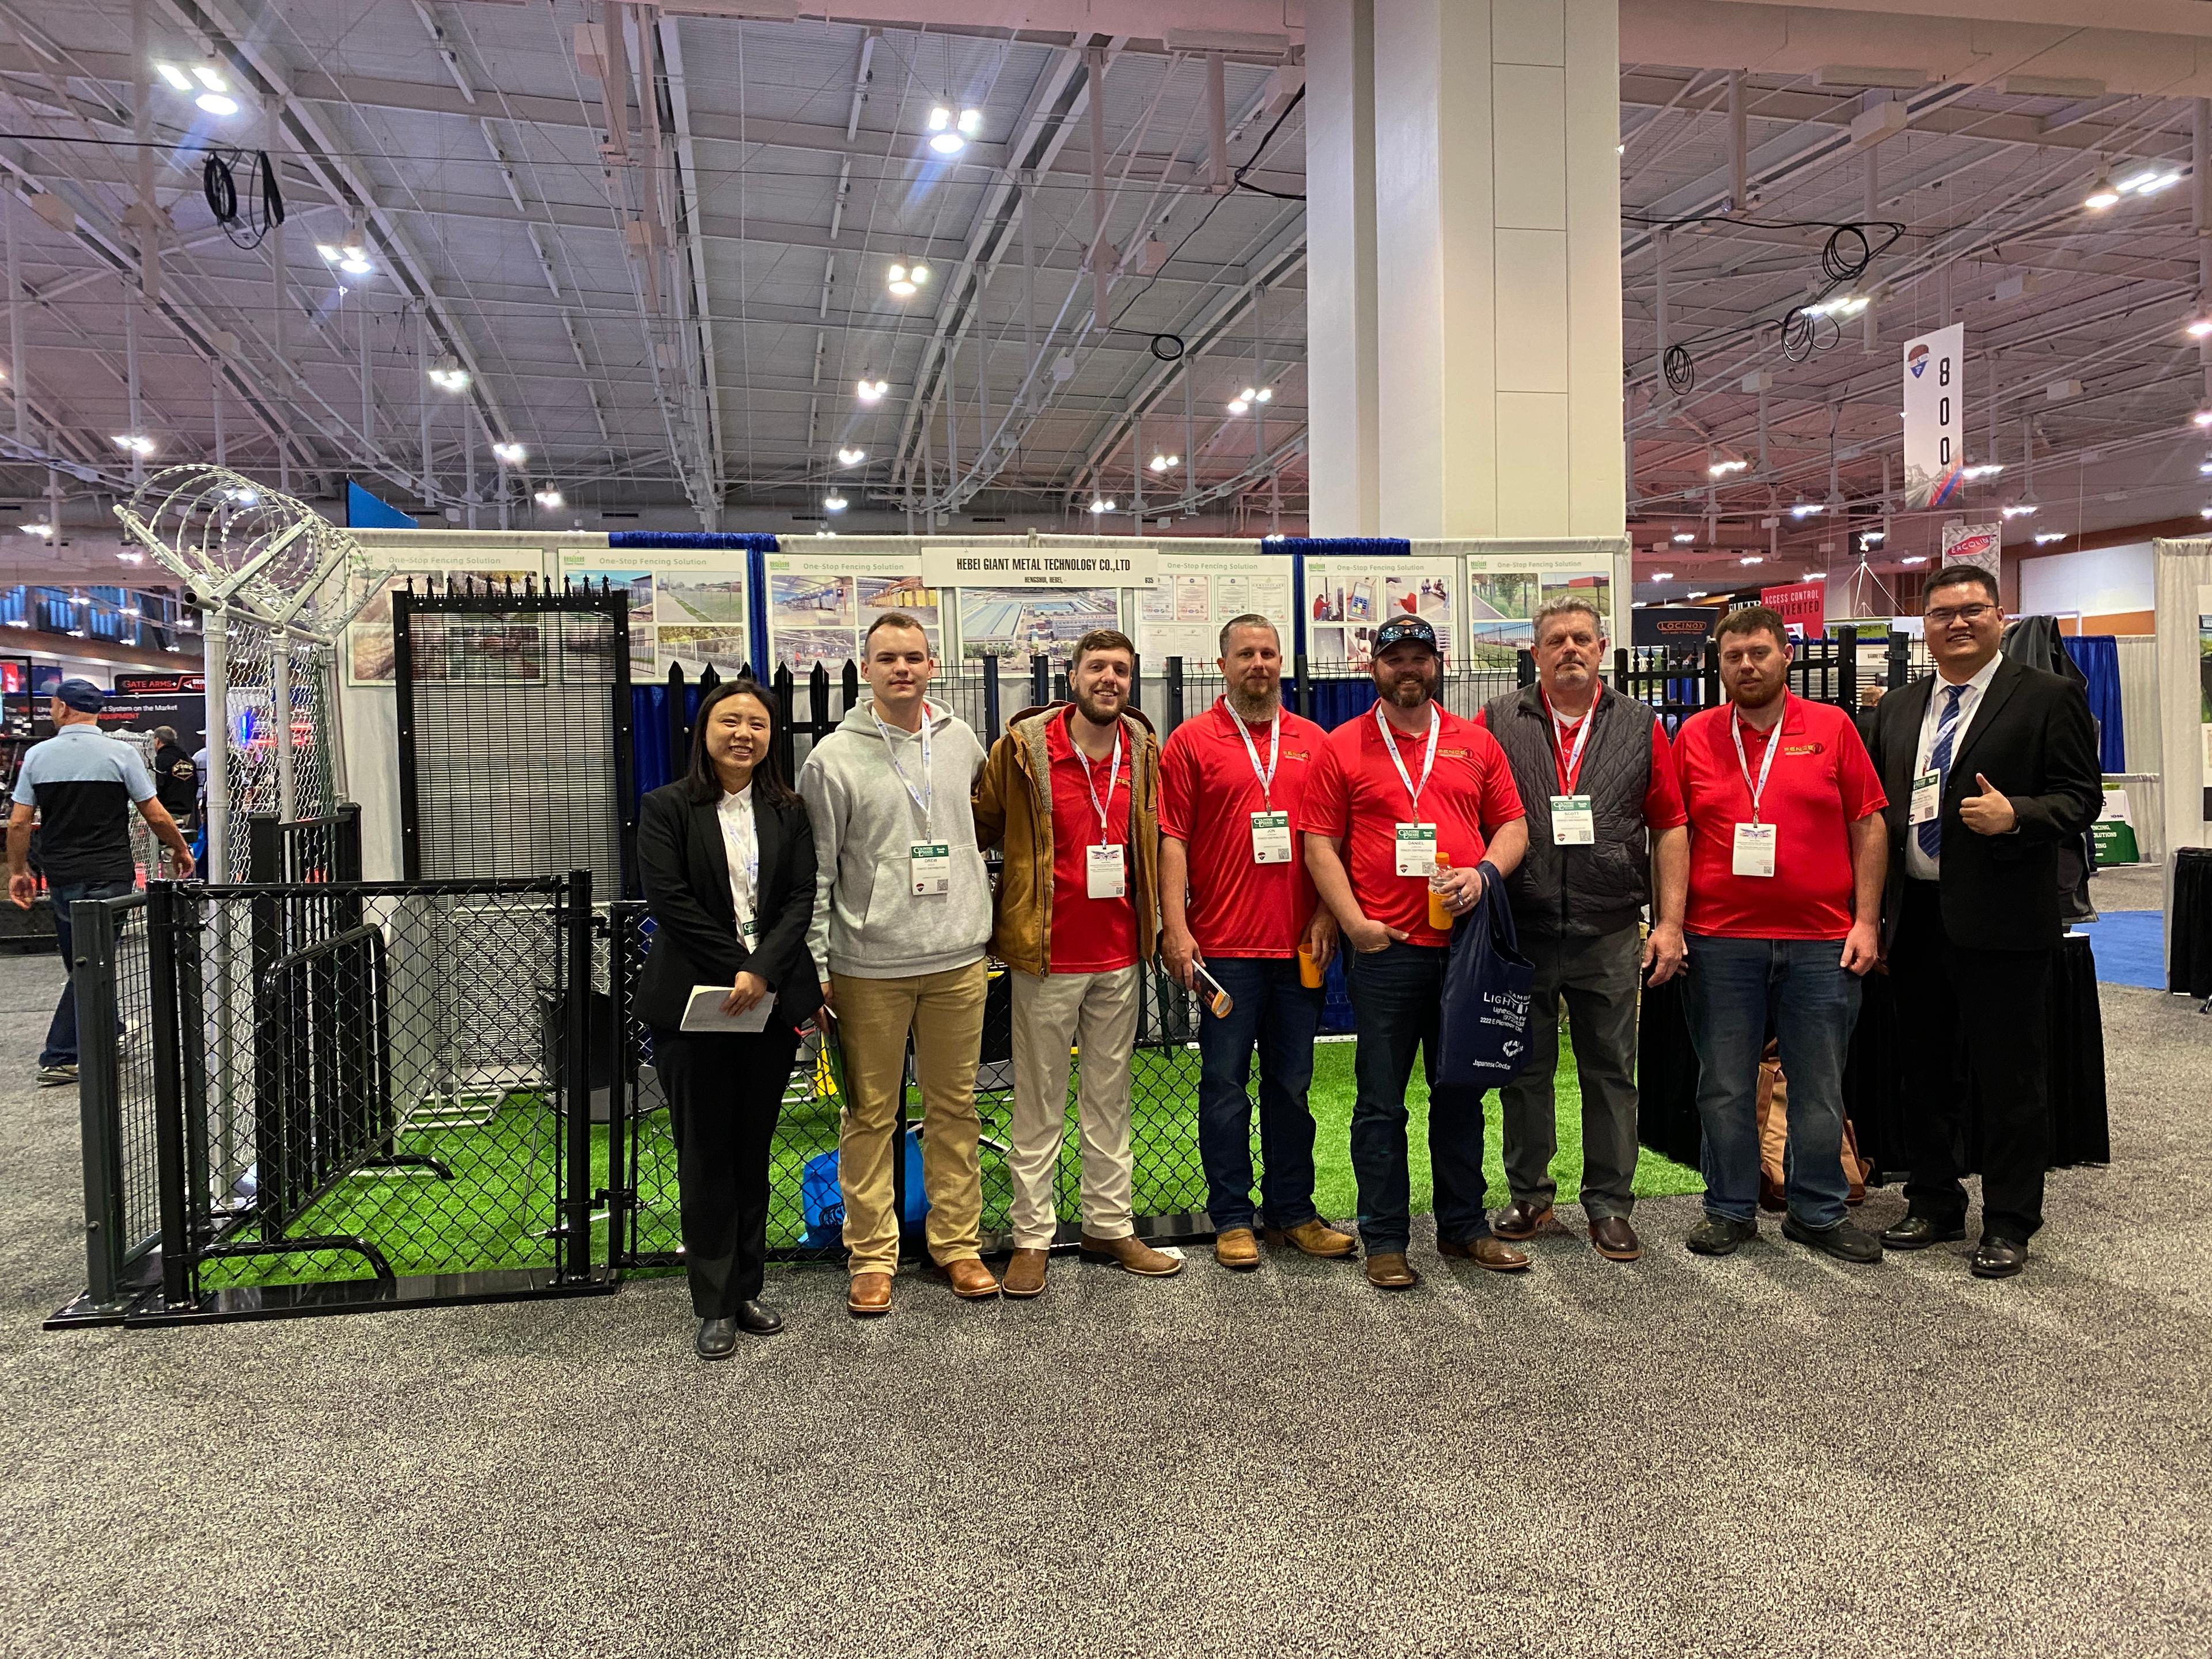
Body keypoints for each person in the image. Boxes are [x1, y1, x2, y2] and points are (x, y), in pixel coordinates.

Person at [1865, 566, 2101, 1278]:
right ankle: (1934, 1200)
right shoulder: (1902, 709)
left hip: (2003, 919)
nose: (1957, 624)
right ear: (1926, 627)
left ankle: (2008, 1219)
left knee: (2009, 1078)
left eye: (1972, 611)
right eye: (1942, 614)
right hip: (1918, 915)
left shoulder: (2048, 697)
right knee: (1926, 1072)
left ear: (2001, 616)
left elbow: (2081, 799)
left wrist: (2018, 816)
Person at [1300, 616, 1529, 1290]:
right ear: (1374, 668)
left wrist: (1484, 874)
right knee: (1380, 1102)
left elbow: (1512, 825)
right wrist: (1354, 924)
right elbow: (1320, 844)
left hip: (1464, 951)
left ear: (1438, 666)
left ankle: (1464, 1229)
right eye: (1394, 658)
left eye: (1419, 658)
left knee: (1460, 1093)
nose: (1408, 668)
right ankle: (1386, 1238)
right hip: (1386, 951)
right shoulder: (1342, 747)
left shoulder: (1475, 743)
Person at [1672, 605, 1887, 1263]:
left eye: (1759, 652)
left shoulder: (1832, 729)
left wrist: (1867, 921)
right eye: (1733, 655)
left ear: (1786, 654)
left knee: (1819, 1084)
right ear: (1719, 663)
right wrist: (1672, 923)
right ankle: (1730, 1208)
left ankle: (1817, 1209)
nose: (1746, 665)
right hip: (1719, 941)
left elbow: (1869, 825)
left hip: (1821, 941)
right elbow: (1671, 835)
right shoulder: (1695, 736)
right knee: (1725, 1083)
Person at [799, 613, 999, 1317]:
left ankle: (957, 1245)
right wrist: (820, 964)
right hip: (867, 968)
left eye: (914, 657)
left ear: (932, 664)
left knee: (955, 1110)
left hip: (956, 960)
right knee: (870, 1114)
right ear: (867, 669)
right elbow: (818, 872)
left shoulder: (962, 741)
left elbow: (984, 830)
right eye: (888, 658)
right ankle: (872, 1256)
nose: (902, 669)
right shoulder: (831, 759)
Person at [1478, 595, 1688, 1264]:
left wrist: (1670, 922)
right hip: (1526, 928)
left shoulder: (1641, 724)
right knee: (1524, 1071)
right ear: (1534, 654)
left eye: (1582, 639)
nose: (1570, 649)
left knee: (1610, 1072)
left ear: (1602, 650)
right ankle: (1531, 1196)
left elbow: (1671, 826)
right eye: (1556, 640)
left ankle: (1609, 1205)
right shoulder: (1497, 721)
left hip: (1610, 929)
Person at [975, 627, 1182, 1296]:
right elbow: (979, 824)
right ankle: (1031, 1238)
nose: (1110, 680)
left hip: (1121, 954)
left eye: (1121, 670)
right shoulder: (1023, 752)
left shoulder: (1145, 751)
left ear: (1132, 681)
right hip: (1046, 957)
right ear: (1072, 677)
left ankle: (1108, 1225)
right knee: (1038, 1104)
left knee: (1110, 1101)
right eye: (1098, 667)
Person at [1159, 615, 1353, 1271]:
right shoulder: (1190, 743)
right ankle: (1234, 1219)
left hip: (1301, 946)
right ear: (1224, 665)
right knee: (1223, 1087)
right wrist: (1176, 928)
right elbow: (1173, 841)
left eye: (1269, 653)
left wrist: (1328, 916)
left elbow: (1334, 841)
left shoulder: (1315, 742)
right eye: (1246, 654)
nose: (1260, 664)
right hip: (1224, 952)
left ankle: (1293, 1213)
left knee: (1293, 1087)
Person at [635, 679, 820, 1357]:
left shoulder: (789, 810)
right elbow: (670, 901)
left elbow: (800, 897)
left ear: (772, 737)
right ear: (704, 732)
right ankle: (711, 1303)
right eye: (729, 721)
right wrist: (738, 965)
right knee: (705, 1151)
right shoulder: (666, 809)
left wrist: (763, 969)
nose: (744, 733)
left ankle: (745, 1289)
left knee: (750, 1150)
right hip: (695, 1005)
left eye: (757, 723)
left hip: (767, 1007)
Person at [6, 679, 194, 1086]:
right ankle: (67, 1050)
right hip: (111, 872)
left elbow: (20, 823)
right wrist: (180, 849)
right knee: (94, 958)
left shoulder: (39, 756)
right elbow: (155, 814)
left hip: (61, 873)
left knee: (85, 957)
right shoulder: (120, 754)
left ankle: (85, 1043)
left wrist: (19, 871)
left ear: (63, 708)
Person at [150, 726, 198, 833]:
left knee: (168, 845)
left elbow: (157, 787)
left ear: (158, 741)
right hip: (187, 813)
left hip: (166, 812)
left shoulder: (159, 761)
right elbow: (195, 785)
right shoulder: (189, 760)